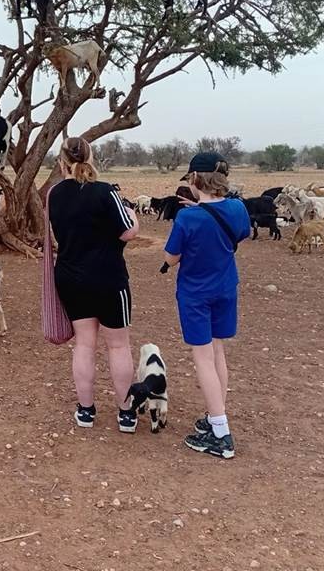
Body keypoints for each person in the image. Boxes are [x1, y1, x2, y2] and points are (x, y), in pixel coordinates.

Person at [162, 152, 251, 459]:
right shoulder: (238, 208)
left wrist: (196, 217)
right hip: (226, 288)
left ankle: (221, 433)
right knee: (217, 352)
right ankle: (215, 415)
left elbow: (171, 257)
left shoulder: (187, 217)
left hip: (195, 294)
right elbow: (241, 233)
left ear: (195, 179)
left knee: (203, 358)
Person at [48, 136, 140, 432]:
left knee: (84, 344)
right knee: (118, 345)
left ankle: (86, 410)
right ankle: (126, 413)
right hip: (109, 278)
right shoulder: (105, 191)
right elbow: (127, 232)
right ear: (91, 158)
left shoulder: (54, 194)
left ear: (61, 162)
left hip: (70, 278)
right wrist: (134, 218)